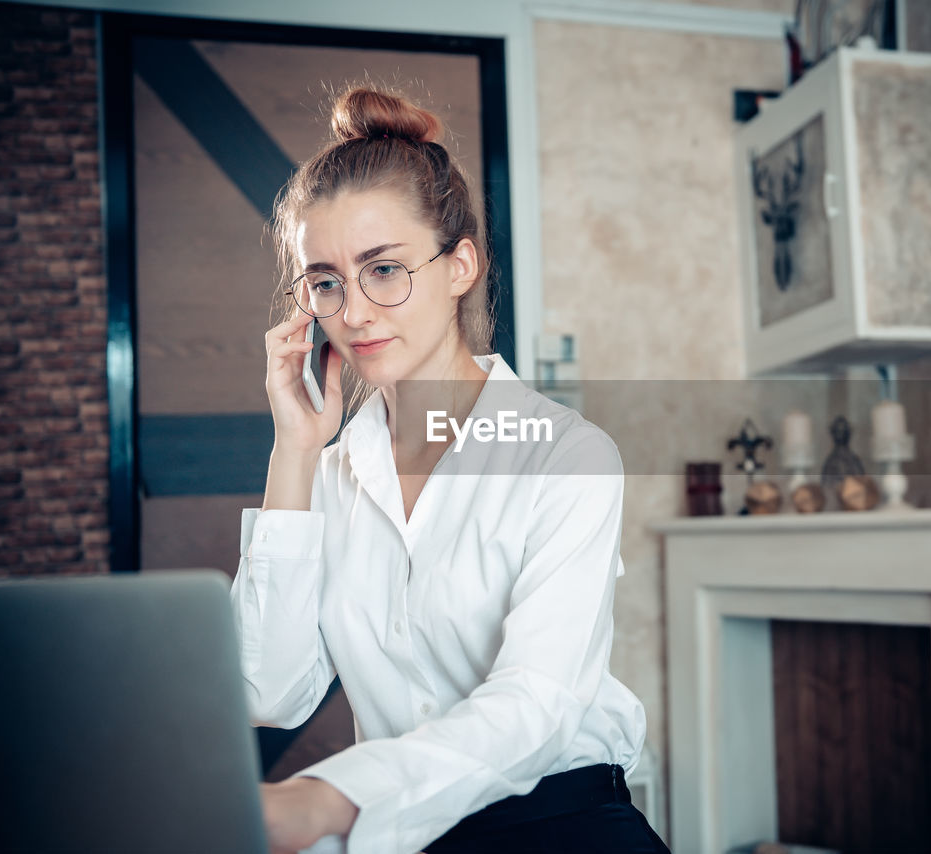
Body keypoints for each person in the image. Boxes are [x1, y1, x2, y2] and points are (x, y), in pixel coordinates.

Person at [228, 86, 669, 854]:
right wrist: (294, 451)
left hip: (559, 821)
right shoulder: (327, 480)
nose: (354, 312)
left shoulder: (567, 456)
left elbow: (537, 707)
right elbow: (269, 691)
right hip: (404, 836)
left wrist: (326, 798)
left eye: (385, 270)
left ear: (459, 264)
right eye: (326, 281)